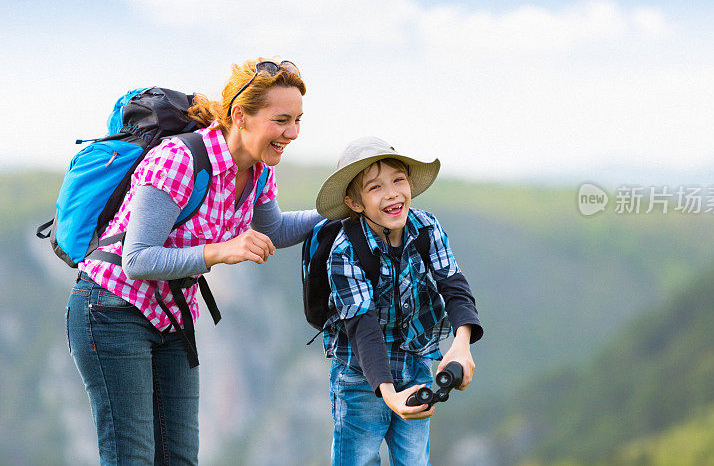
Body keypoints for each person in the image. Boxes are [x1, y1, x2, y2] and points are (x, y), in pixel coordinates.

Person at [66, 58, 322, 465]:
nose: (292, 133)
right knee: (131, 456)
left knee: (180, 457)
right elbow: (136, 259)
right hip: (110, 309)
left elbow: (274, 230)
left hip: (170, 316)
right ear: (241, 115)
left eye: (298, 120)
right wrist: (221, 250)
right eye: (282, 120)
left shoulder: (258, 170)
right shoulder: (179, 159)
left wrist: (342, 209)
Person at [315, 137, 484, 465]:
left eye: (398, 180)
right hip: (359, 374)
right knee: (359, 459)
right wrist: (390, 395)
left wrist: (461, 345)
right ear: (355, 202)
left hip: (415, 359)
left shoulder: (426, 228)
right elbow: (363, 328)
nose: (392, 193)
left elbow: (454, 286)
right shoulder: (344, 252)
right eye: (375, 187)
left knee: (413, 460)